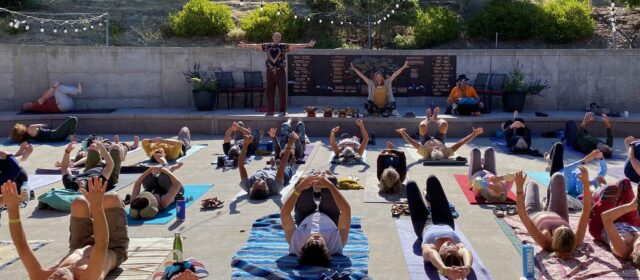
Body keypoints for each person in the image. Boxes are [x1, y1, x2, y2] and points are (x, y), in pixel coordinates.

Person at [1, 177, 129, 279]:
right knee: (111, 198)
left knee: (78, 203)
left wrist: (13, 210)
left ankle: (92, 206)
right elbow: (102, 243)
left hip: (78, 245)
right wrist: (97, 206)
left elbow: (21, 246)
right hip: (112, 246)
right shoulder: (88, 277)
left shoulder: (40, 276)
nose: (56, 276)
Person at [515, 169, 592, 259]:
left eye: (558, 229)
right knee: (558, 176)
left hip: (534, 213)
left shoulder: (545, 241)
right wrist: (586, 185)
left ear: (554, 238)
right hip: (558, 213)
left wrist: (519, 190)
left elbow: (523, 215)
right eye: (564, 226)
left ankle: (544, 202)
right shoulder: (576, 241)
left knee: (532, 185)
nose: (560, 226)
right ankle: (548, 202)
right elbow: (586, 211)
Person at [406, 176, 473, 279]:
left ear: (440, 255)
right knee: (432, 180)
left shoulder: (431, 248)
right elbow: (466, 251)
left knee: (410, 185)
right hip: (445, 221)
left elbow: (431, 254)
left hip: (423, 223)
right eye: (452, 248)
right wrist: (467, 267)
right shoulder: (459, 246)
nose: (450, 245)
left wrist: (443, 269)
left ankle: (428, 202)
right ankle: (429, 199)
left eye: (447, 249)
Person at [281, 171, 351, 267]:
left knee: (305, 180)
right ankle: (324, 175)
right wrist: (330, 186)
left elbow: (285, 213)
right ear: (326, 249)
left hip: (304, 217)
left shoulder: (296, 244)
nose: (316, 236)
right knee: (329, 179)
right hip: (330, 217)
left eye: (312, 240)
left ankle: (315, 179)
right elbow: (345, 210)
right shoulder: (336, 245)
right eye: (319, 241)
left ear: (304, 246)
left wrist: (299, 188)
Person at [238, 32, 316, 116]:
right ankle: (270, 110)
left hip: (280, 70)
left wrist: (308, 44)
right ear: (272, 37)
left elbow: (295, 45)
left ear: (280, 38)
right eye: (275, 37)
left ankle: (282, 111)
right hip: (270, 71)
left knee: (282, 90)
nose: (277, 38)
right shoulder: (267, 46)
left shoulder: (283, 46)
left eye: (279, 37)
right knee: (270, 91)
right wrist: (246, 45)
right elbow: (257, 45)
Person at [587, 178, 640, 267]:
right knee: (625, 182)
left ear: (634, 254)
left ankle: (595, 194)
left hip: (600, 224)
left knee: (612, 189)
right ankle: (601, 190)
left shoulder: (622, 249)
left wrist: (631, 206)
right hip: (626, 221)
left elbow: (606, 217)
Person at [396, 108, 483, 160]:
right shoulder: (446, 153)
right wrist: (474, 134)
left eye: (434, 149)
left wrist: (403, 133)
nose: (435, 146)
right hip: (440, 139)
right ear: (442, 152)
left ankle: (428, 119)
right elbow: (461, 142)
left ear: (431, 153)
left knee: (422, 125)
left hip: (425, 140)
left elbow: (412, 142)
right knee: (444, 124)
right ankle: (436, 118)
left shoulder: (425, 152)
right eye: (439, 149)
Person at [238, 133, 297, 200]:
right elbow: (282, 167)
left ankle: (273, 166)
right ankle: (291, 165)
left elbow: (240, 165)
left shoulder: (248, 186)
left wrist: (245, 144)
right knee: (287, 167)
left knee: (278, 157)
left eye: (255, 183)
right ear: (267, 187)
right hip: (282, 175)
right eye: (261, 181)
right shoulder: (275, 188)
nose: (259, 179)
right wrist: (289, 146)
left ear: (252, 189)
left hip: (268, 170)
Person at [56, 135, 139, 169]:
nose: (85, 152)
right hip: (108, 150)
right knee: (122, 147)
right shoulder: (89, 157)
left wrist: (62, 163)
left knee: (115, 145)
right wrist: (74, 164)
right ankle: (134, 145)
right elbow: (85, 158)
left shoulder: (84, 153)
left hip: (105, 146)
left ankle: (117, 144)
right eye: (84, 153)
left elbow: (72, 158)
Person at [0, 142, 32, 206]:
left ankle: (20, 156)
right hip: (17, 179)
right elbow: (15, 169)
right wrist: (9, 155)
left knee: (7, 163)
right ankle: (21, 156)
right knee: (10, 164)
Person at [10, 116, 78, 143]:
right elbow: (43, 125)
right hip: (54, 134)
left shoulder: (27, 137)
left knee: (68, 118)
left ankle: (72, 134)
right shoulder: (30, 128)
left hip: (55, 138)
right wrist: (43, 125)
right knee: (73, 119)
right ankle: (72, 137)